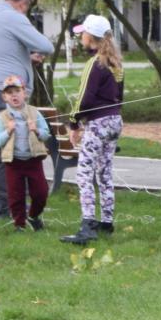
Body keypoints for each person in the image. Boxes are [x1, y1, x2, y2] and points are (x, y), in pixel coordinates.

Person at [0, 0, 52, 219]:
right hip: (8, 94)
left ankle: (3, 207)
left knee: (0, 153)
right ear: (23, 4)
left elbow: (0, 53)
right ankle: (16, 208)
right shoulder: (12, 16)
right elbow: (46, 45)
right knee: (19, 152)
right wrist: (35, 53)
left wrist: (25, 58)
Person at [60, 15, 124, 244]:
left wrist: (73, 124)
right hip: (115, 121)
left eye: (82, 34)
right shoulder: (116, 62)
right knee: (104, 172)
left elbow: (84, 99)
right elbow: (120, 98)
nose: (80, 38)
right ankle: (106, 222)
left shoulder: (95, 63)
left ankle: (87, 226)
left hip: (97, 123)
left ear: (91, 37)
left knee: (84, 173)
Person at [0, 75, 52, 229]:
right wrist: (8, 131)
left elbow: (46, 133)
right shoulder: (2, 117)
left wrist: (36, 130)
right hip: (13, 162)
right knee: (15, 195)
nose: (14, 95)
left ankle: (33, 215)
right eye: (9, 92)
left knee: (41, 192)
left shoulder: (34, 112)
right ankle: (19, 224)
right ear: (4, 97)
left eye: (17, 91)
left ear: (24, 93)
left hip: (33, 160)